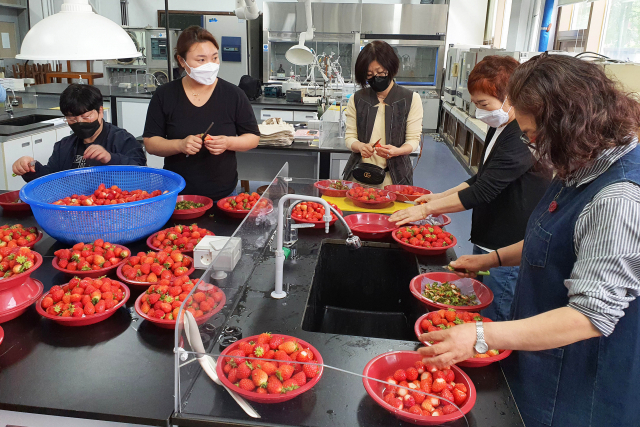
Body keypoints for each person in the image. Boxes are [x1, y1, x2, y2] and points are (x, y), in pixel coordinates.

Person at [417, 54, 640, 427]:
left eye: (533, 134)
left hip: (579, 380)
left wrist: (480, 334)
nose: (530, 144)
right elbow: (556, 238)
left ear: (569, 125)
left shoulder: (617, 197)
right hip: (544, 357)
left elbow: (590, 315)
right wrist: (490, 260)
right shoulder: (581, 162)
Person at [390, 56, 551, 321]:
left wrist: (426, 210)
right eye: (476, 104)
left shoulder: (520, 136)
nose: (479, 112)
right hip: (489, 238)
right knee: (481, 304)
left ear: (511, 98)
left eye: (484, 104)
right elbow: (482, 177)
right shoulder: (499, 126)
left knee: (495, 313)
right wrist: (439, 196)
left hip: (507, 245)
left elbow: (484, 191)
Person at [143, 26, 260, 200]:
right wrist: (180, 145)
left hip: (223, 194)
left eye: (214, 58)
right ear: (182, 61)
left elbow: (252, 137)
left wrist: (228, 142)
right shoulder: (165, 95)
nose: (210, 65)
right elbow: (151, 143)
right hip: (178, 194)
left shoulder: (233, 94)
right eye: (201, 60)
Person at [12, 84, 145, 180]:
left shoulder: (122, 140)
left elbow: (142, 173)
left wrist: (111, 158)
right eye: (72, 119)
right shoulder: (63, 147)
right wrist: (30, 168)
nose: (80, 122)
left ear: (100, 112)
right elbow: (50, 179)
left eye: (86, 117)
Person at [342, 40, 423, 187]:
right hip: (359, 177)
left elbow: (413, 140)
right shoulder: (357, 99)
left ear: (391, 68)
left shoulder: (410, 99)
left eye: (380, 72)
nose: (376, 78)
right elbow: (349, 137)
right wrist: (360, 146)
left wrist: (398, 151)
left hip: (395, 179)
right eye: (369, 75)